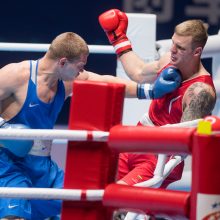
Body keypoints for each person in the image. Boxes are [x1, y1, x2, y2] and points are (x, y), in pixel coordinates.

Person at [0, 32, 181, 220]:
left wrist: (150, 91)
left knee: (85, 206)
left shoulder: (66, 80)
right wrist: (4, 129)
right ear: (62, 62)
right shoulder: (16, 75)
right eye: (79, 66)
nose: (81, 71)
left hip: (42, 166)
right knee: (14, 215)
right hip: (8, 164)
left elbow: (105, 81)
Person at [99, 9, 216, 188]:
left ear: (197, 52)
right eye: (173, 43)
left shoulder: (200, 91)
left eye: (181, 48)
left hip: (158, 155)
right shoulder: (169, 60)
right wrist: (118, 38)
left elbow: (185, 143)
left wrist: (204, 127)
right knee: (106, 194)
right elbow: (138, 72)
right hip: (137, 139)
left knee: (121, 205)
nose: (173, 50)